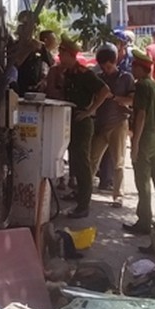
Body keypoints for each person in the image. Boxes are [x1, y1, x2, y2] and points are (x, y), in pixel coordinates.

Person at [50, 39, 110, 219]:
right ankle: (77, 194)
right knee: (74, 161)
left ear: (70, 55)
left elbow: (105, 90)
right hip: (70, 121)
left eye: (62, 54)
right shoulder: (67, 73)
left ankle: (84, 204)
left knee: (82, 163)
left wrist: (90, 111)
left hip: (82, 122)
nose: (60, 57)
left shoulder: (84, 73)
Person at [125, 50, 155, 235]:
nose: (132, 69)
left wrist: (135, 143)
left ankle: (144, 221)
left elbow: (141, 115)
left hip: (144, 137)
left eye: (134, 66)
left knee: (142, 182)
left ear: (141, 69)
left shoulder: (142, 86)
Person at [88, 46, 135, 208]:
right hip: (101, 124)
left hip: (119, 124)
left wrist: (114, 97)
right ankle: (86, 192)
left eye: (108, 66)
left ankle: (118, 196)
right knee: (92, 159)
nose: (105, 70)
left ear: (115, 62)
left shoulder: (126, 78)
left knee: (119, 162)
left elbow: (132, 100)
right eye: (102, 67)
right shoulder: (98, 78)